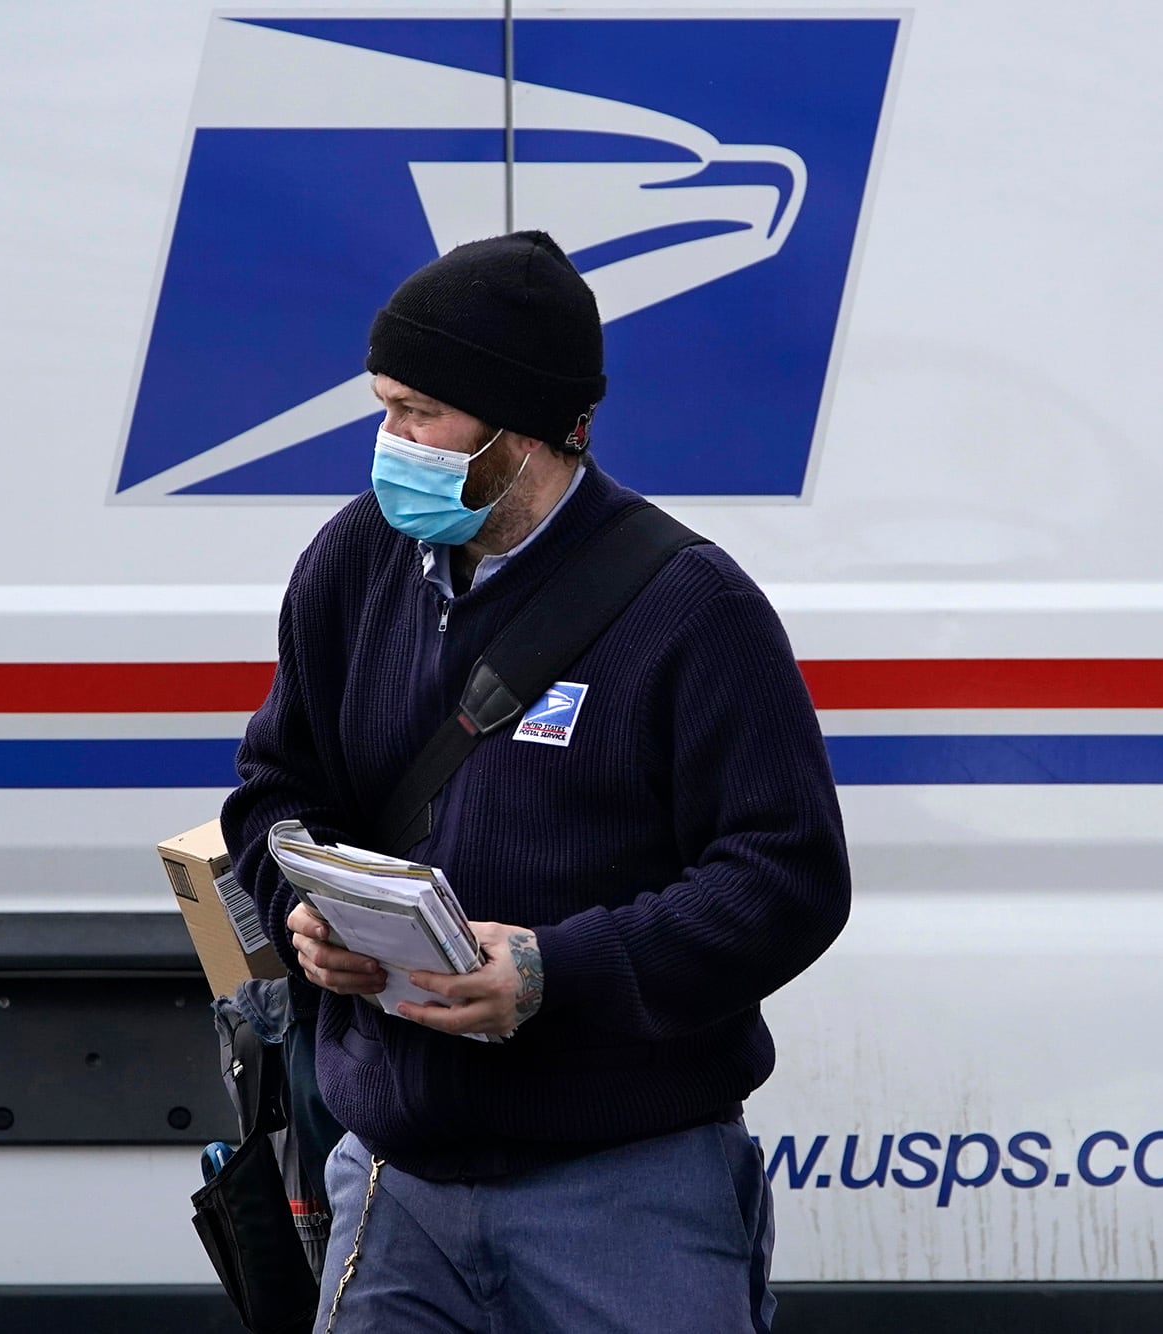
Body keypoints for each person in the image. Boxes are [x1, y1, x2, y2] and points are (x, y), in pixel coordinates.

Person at [221, 231, 851, 1333]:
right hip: (394, 1189)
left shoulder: (692, 610)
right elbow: (271, 790)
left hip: (627, 1194)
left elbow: (784, 877)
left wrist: (551, 970)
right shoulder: (351, 562)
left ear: (522, 431)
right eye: (384, 405)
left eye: (418, 413)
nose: (388, 441)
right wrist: (304, 909)